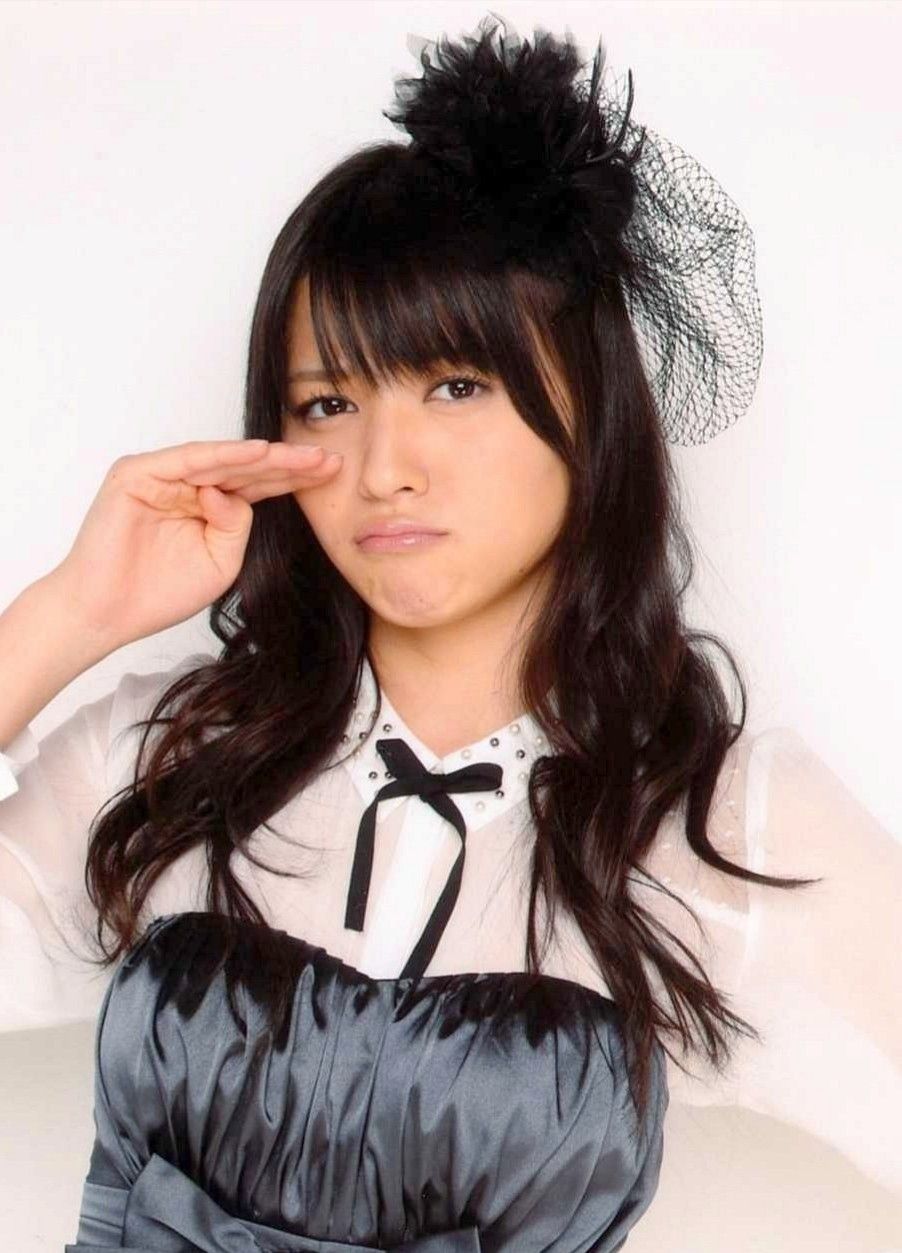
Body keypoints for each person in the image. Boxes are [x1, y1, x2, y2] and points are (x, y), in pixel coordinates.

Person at [0, 12, 899, 1249]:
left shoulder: (718, 819)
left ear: (589, 412)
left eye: (456, 385)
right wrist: (64, 617)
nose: (385, 468)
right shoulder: (172, 750)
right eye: (328, 402)